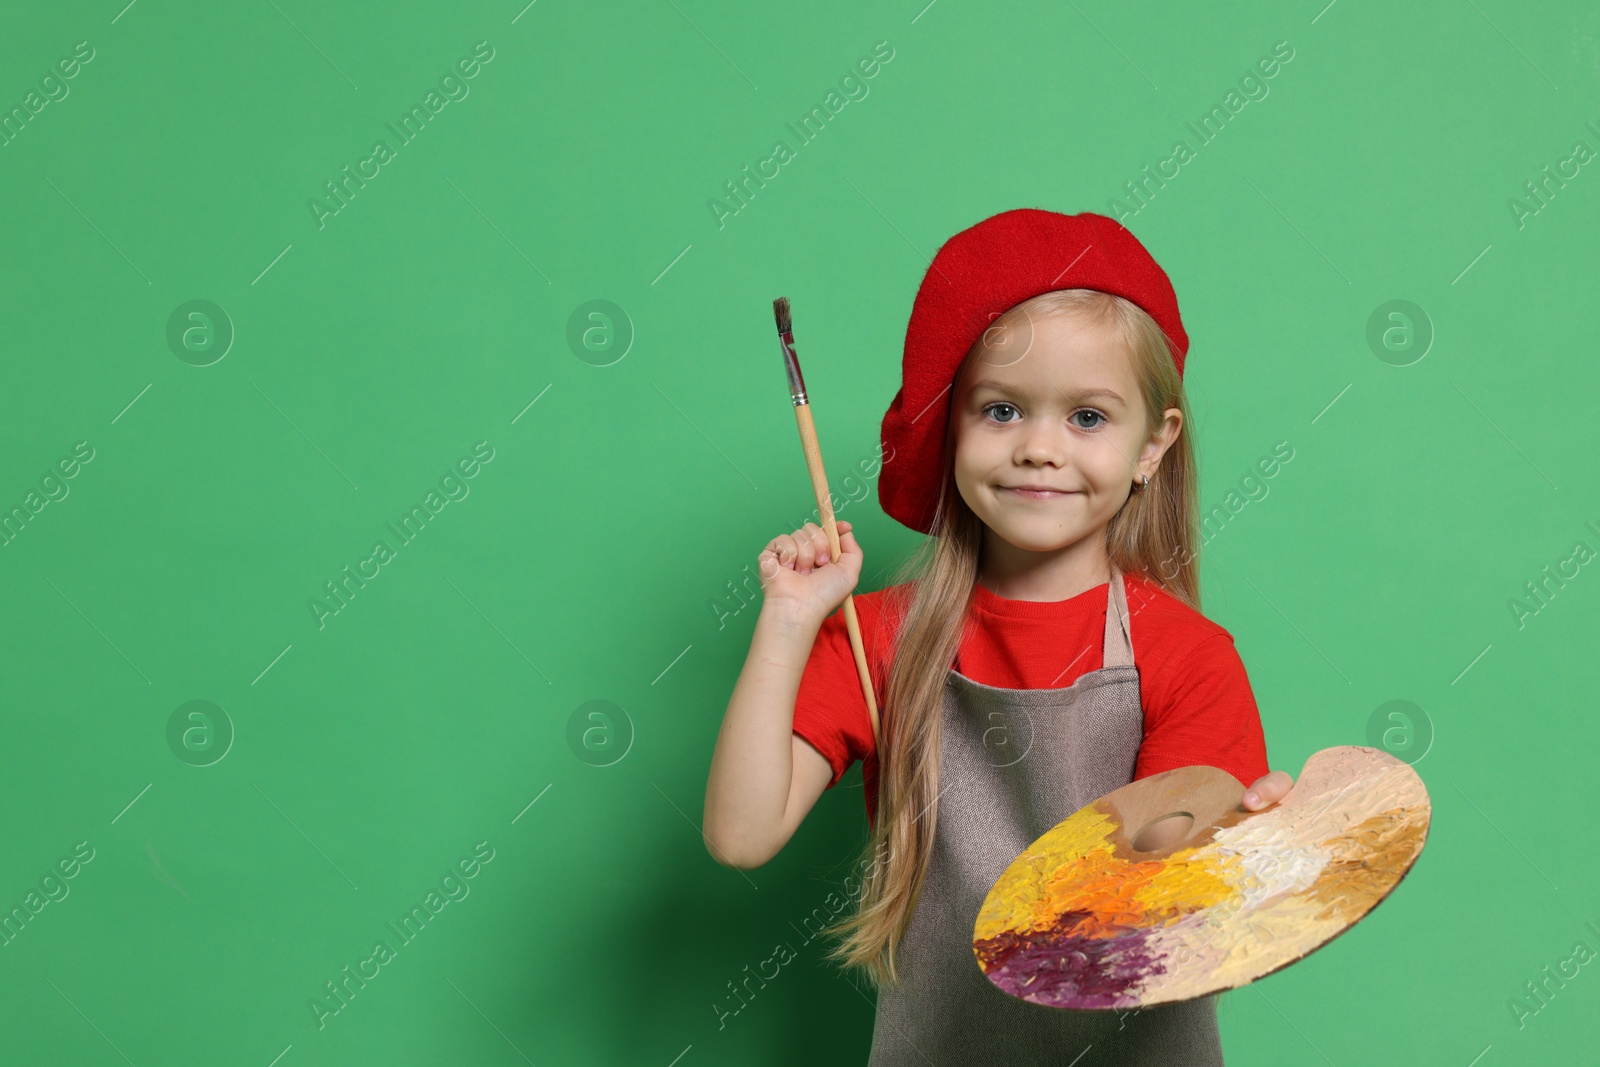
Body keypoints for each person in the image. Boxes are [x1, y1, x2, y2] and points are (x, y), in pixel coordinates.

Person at [703, 207, 1295, 1065]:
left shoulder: (1189, 655)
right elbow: (740, 832)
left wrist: (1252, 843)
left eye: (1088, 417)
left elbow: (1168, 898)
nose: (1040, 449)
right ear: (950, 429)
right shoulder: (876, 640)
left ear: (1152, 446)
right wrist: (791, 619)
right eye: (1003, 410)